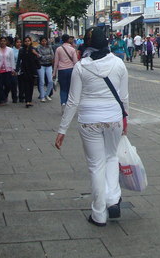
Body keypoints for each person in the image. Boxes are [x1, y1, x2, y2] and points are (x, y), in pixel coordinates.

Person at [55, 27, 129, 227]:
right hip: (113, 118)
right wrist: (125, 118)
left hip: (89, 120)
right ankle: (113, 199)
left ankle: (99, 214)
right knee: (112, 157)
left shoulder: (81, 67)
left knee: (96, 166)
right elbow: (124, 98)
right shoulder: (119, 64)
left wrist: (62, 130)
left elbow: (72, 101)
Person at [53, 34, 79, 110]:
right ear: (68, 40)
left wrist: (54, 72)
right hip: (71, 70)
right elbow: (75, 62)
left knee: (63, 88)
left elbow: (56, 62)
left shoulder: (59, 49)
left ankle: (63, 102)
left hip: (61, 70)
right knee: (70, 88)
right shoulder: (72, 49)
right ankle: (68, 103)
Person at [17, 36, 40, 107]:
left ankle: (30, 100)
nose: (27, 42)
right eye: (26, 41)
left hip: (32, 69)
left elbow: (38, 58)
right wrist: (17, 69)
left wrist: (35, 53)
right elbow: (19, 60)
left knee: (31, 85)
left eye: (28, 41)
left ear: (31, 42)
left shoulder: (33, 49)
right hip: (24, 69)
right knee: (26, 85)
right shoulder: (21, 50)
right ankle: (27, 100)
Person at [0, 37, 16, 106]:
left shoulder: (10, 50)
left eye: (4, 41)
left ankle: (5, 96)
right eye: (1, 41)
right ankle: (1, 100)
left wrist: (13, 69)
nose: (3, 42)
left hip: (8, 70)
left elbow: (12, 60)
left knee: (8, 85)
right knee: (0, 85)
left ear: (6, 42)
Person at [36, 36, 55, 102]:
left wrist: (44, 57)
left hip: (49, 65)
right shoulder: (38, 48)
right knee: (42, 81)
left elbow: (52, 56)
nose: (44, 42)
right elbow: (39, 57)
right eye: (42, 41)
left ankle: (46, 94)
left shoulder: (50, 47)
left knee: (50, 81)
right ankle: (42, 96)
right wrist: (47, 57)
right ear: (40, 42)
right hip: (41, 66)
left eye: (45, 41)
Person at [11, 37, 22, 103]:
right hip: (14, 68)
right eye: (17, 42)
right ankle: (14, 97)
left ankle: (21, 96)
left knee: (21, 83)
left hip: (22, 68)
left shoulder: (23, 49)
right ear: (15, 43)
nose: (19, 44)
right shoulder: (11, 50)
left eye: (20, 42)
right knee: (14, 83)